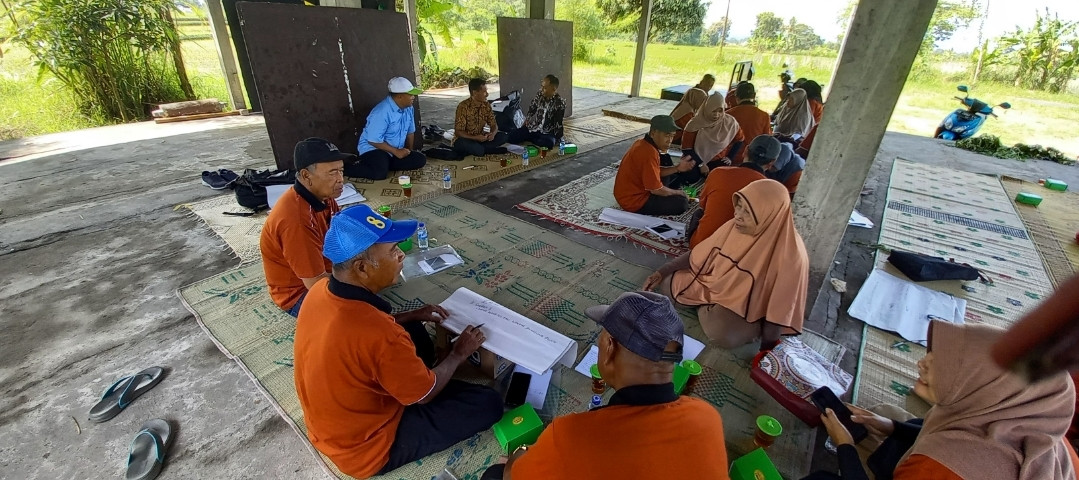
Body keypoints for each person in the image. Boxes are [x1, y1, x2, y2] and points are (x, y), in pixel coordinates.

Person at [294, 204, 502, 479]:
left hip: (334, 421)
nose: (402, 255)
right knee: (488, 403)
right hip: (365, 449)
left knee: (412, 328)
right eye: (393, 251)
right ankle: (420, 377)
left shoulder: (320, 291)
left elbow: (363, 335)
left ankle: (414, 373)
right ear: (363, 268)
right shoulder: (378, 333)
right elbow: (424, 395)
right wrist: (458, 353)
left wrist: (413, 314)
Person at [480, 292, 730, 480]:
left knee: (494, 474)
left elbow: (514, 474)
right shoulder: (707, 417)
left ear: (609, 347)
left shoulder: (571, 435)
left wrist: (520, 454)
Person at [808, 320, 1079, 480]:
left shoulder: (943, 466)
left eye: (942, 364)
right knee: (886, 413)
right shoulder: (1033, 424)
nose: (921, 364)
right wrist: (890, 426)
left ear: (983, 384)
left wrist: (845, 445)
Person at [643, 179, 808, 350]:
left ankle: (709, 308)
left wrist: (768, 349)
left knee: (724, 336)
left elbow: (778, 311)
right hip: (712, 284)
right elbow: (698, 254)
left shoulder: (790, 255)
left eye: (748, 212)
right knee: (668, 284)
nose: (737, 215)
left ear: (769, 215)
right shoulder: (734, 226)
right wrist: (662, 272)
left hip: (741, 303)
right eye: (739, 206)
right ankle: (708, 307)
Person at [260, 137, 348, 316]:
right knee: (360, 314)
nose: (340, 179)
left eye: (341, 171)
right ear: (306, 176)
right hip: (299, 294)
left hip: (326, 266)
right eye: (332, 173)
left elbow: (340, 230)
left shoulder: (323, 194)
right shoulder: (296, 221)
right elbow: (316, 284)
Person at [686, 135, 779, 248]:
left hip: (700, 246)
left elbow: (703, 204)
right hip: (736, 256)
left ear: (745, 151)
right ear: (771, 163)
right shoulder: (772, 190)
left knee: (698, 213)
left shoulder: (718, 173)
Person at [613, 115, 695, 216]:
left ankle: (669, 191)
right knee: (681, 203)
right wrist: (679, 193)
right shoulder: (648, 152)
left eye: (672, 136)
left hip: (629, 194)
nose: (670, 140)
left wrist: (677, 168)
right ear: (653, 133)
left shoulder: (642, 143)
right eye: (666, 135)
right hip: (633, 201)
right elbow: (656, 190)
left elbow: (655, 171)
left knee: (666, 160)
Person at [350, 77, 427, 180]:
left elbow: (410, 132)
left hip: (393, 151)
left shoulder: (409, 108)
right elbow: (373, 140)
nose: (413, 97)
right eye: (410, 94)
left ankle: (384, 164)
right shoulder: (381, 112)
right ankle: (347, 167)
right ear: (400, 96)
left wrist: (409, 151)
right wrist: (396, 152)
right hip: (374, 149)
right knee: (379, 174)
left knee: (419, 159)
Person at [680, 93, 744, 179]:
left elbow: (740, 140)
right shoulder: (694, 124)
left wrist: (730, 157)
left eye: (720, 111)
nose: (716, 115)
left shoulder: (730, 122)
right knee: (691, 176)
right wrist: (701, 164)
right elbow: (686, 149)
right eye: (713, 111)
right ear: (707, 108)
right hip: (695, 159)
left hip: (718, 160)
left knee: (718, 177)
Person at [452, 78, 508, 158]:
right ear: (475, 93)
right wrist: (475, 138)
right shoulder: (463, 106)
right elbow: (458, 132)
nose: (487, 94)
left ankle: (481, 150)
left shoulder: (486, 105)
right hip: (466, 139)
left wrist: (492, 134)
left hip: (480, 139)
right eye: (484, 92)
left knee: (503, 136)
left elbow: (494, 125)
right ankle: (485, 150)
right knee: (466, 145)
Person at [508, 74, 565, 150]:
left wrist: (559, 138)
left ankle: (531, 139)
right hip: (535, 128)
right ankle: (532, 138)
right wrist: (527, 119)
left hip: (548, 133)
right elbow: (532, 107)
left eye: (544, 88)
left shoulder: (559, 103)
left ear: (553, 89)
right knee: (511, 137)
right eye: (542, 86)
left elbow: (558, 123)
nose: (541, 89)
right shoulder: (540, 94)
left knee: (549, 143)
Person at [726, 82, 773, 164]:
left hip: (729, 158)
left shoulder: (728, 114)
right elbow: (767, 139)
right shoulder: (764, 116)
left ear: (736, 97)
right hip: (752, 160)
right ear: (754, 95)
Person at [669, 74, 714, 145]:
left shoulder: (688, 104)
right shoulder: (688, 112)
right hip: (674, 137)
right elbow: (690, 128)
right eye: (701, 101)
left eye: (711, 85)